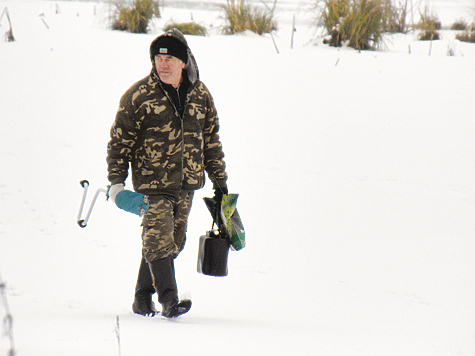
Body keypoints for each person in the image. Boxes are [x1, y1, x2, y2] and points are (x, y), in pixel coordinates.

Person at [106, 29, 228, 318]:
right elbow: (119, 143)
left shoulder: (201, 95)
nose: (163, 63)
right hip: (152, 183)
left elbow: (211, 140)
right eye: (158, 57)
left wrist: (219, 180)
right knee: (158, 240)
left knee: (172, 242)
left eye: (169, 57)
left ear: (183, 62)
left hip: (187, 183)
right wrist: (116, 182)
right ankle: (169, 300)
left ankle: (140, 297)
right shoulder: (138, 96)